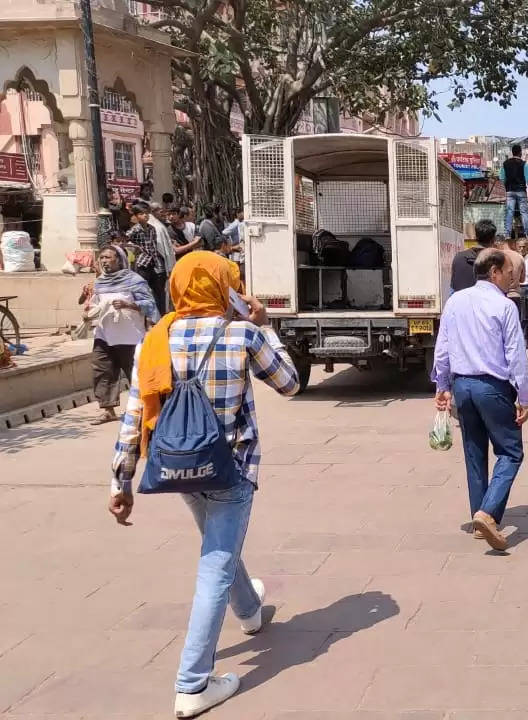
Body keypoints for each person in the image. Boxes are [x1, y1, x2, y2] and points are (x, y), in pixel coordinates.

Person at [109, 251, 300, 718]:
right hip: (230, 467)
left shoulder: (154, 341)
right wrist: (266, 323)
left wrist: (122, 479)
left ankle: (251, 613)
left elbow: (135, 413)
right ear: (224, 287)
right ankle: (193, 682)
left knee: (221, 545)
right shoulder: (242, 334)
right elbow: (291, 383)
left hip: (176, 466)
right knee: (215, 563)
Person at [432, 248, 528, 551]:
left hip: (463, 386)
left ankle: (479, 516)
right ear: (494, 273)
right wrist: (523, 397)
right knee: (511, 452)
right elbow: (515, 354)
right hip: (492, 387)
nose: (512, 279)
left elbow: (443, 347)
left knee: (474, 453)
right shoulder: (503, 306)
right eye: (509, 274)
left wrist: (442, 384)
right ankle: (487, 514)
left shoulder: (455, 302)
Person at [86, 246, 159, 425]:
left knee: (136, 374)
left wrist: (129, 304)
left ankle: (142, 409)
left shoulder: (134, 280)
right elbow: (93, 305)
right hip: (104, 335)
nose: (104, 261)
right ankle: (108, 410)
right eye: (101, 257)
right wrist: (87, 310)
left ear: (119, 259)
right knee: (102, 372)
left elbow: (150, 304)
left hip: (131, 337)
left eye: (108, 258)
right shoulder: (99, 283)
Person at [128, 203, 169, 310]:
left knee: (159, 291)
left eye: (147, 213)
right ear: (136, 216)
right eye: (141, 214)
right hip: (142, 263)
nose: (145, 216)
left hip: (154, 263)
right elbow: (126, 241)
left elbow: (154, 246)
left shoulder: (152, 228)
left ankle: (161, 313)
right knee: (143, 290)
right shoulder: (135, 230)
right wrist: (135, 248)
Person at [450, 219, 497, 293]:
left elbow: (453, 287)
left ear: (475, 237)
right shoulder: (496, 260)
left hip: (462, 302)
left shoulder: (459, 257)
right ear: (493, 239)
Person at [500, 144, 528, 238]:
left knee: (509, 212)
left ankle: (507, 234)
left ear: (512, 152)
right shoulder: (524, 164)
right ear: (520, 153)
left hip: (509, 191)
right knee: (524, 213)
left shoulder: (505, 164)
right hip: (521, 191)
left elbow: (502, 178)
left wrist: (503, 190)